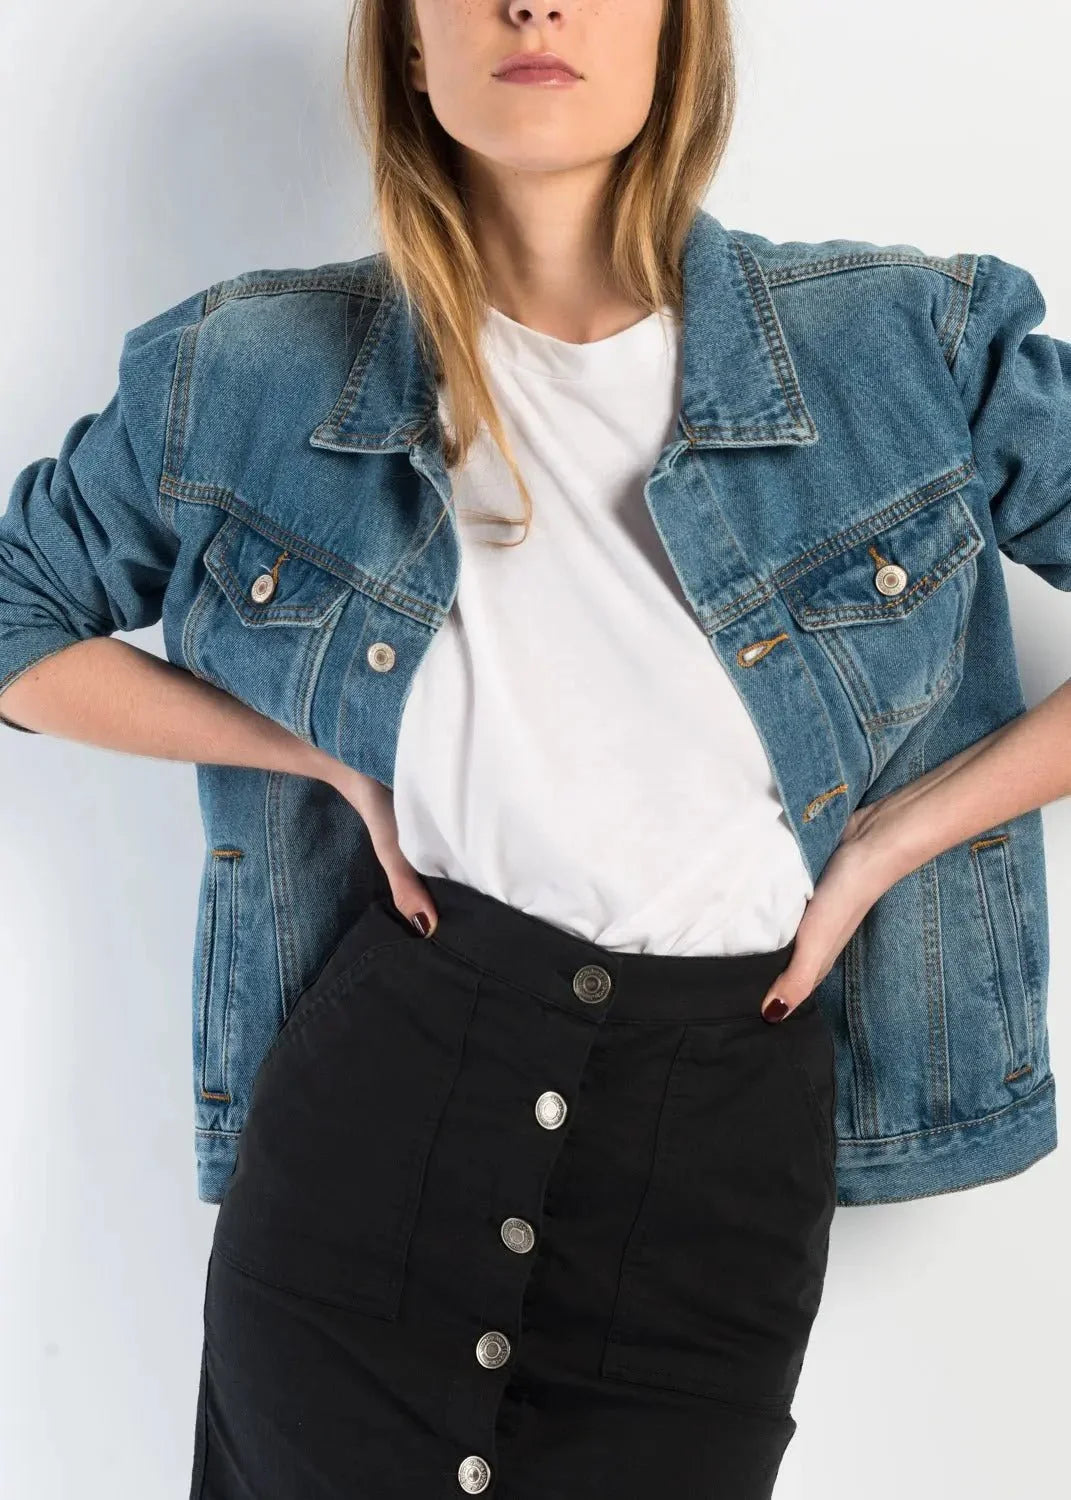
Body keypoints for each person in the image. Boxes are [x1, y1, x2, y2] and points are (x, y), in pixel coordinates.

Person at [2, 3, 1067, 1497]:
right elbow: (15, 621)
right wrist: (315, 759)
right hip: (376, 1132)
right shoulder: (247, 373)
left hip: (711, 1173)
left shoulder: (906, 347)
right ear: (410, 46)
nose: (534, 5)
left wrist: (896, 838)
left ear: (678, 37)